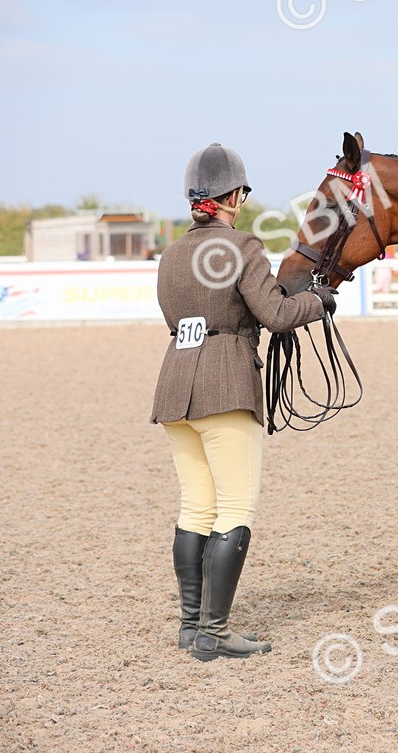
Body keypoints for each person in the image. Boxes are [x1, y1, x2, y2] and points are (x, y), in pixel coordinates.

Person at [152, 143, 336, 661]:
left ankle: (191, 626)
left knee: (196, 505)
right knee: (235, 506)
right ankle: (215, 631)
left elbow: (175, 320)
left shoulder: (170, 255)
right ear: (234, 196)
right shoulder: (242, 245)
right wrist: (318, 302)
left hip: (174, 385)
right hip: (226, 385)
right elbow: (276, 314)